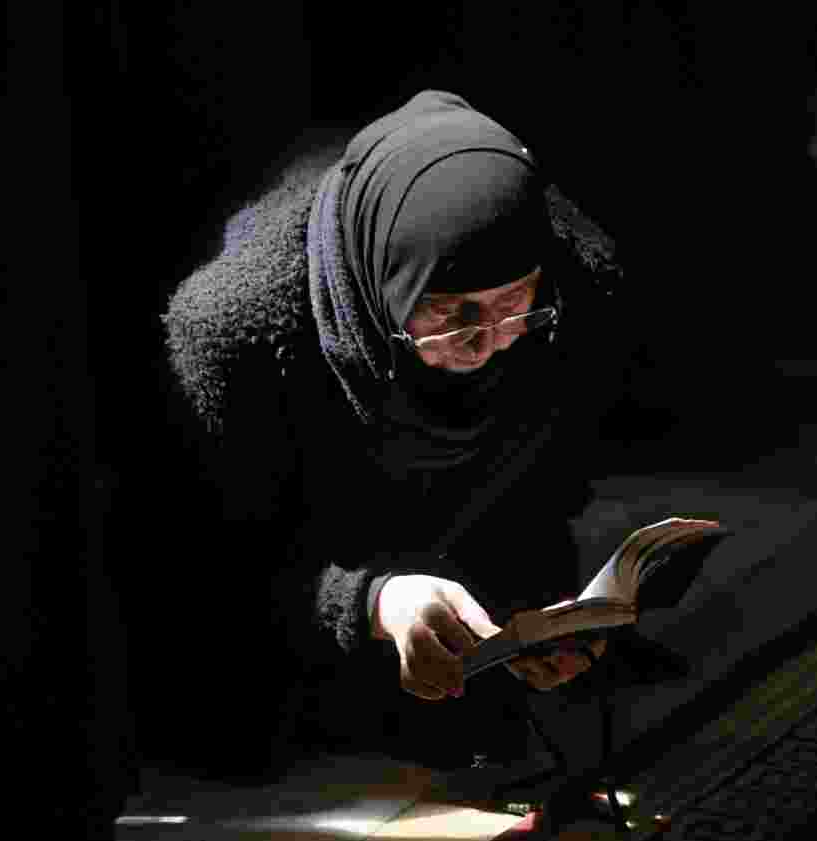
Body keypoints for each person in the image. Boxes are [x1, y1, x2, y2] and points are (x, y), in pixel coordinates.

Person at [160, 90, 630, 777]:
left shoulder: (573, 288)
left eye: (511, 306)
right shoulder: (235, 333)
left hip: (451, 598)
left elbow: (544, 484)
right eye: (453, 314)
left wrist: (535, 608)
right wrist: (373, 602)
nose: (490, 343)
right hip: (272, 620)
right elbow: (206, 568)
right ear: (385, 288)